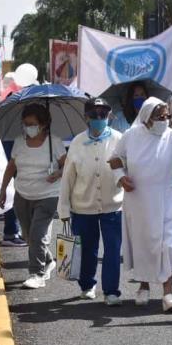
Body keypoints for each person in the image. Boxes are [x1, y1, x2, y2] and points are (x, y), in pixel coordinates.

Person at [108, 97, 172, 313]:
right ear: (147, 118)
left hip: (169, 199)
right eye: (160, 117)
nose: (165, 120)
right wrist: (121, 177)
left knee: (171, 245)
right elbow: (114, 158)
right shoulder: (131, 136)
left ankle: (168, 293)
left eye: (167, 116)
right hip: (139, 200)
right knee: (145, 246)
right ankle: (144, 285)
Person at [58, 98, 124, 306]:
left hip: (113, 205)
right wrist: (64, 209)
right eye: (94, 115)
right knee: (87, 247)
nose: (99, 119)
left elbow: (127, 169)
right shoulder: (77, 142)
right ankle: (87, 285)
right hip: (82, 205)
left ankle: (111, 290)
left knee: (113, 249)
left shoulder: (119, 139)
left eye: (103, 114)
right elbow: (68, 176)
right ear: (86, 117)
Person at [0, 104, 66, 289]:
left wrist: (58, 174)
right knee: (29, 236)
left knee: (38, 234)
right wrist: (3, 189)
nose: (28, 127)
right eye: (25, 124)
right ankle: (48, 260)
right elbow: (11, 167)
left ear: (43, 124)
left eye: (32, 123)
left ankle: (36, 273)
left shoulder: (55, 142)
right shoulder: (19, 141)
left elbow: (67, 165)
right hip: (22, 195)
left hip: (48, 195)